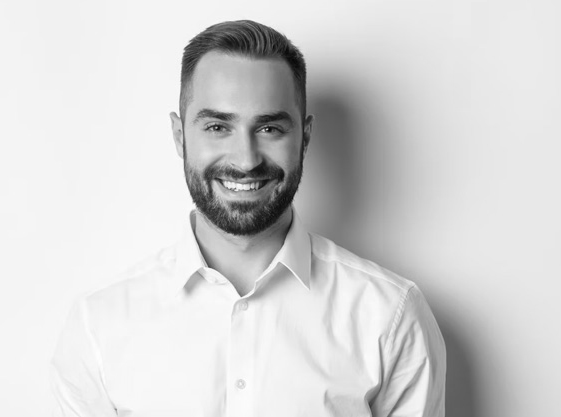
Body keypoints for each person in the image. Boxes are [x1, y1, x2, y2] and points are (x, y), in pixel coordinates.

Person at [51, 20, 446, 416]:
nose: (245, 160)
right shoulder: (98, 327)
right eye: (218, 127)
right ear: (179, 135)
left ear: (305, 137)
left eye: (270, 128)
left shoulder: (389, 317)